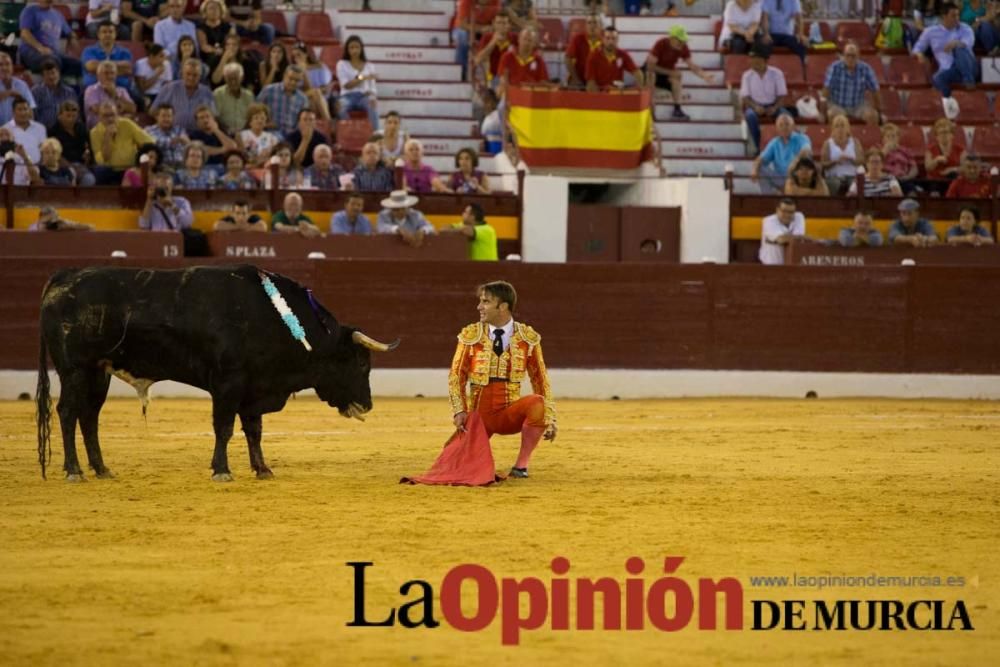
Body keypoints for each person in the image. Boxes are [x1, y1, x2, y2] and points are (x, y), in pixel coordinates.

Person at [447, 281, 556, 479]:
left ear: (503, 306)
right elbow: (457, 375)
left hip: (509, 413)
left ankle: (521, 466)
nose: (479, 307)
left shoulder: (527, 338)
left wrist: (549, 416)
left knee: (537, 403)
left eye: (485, 302)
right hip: (479, 418)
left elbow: (540, 378)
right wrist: (459, 409)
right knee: (453, 465)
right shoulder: (471, 335)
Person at [646, 25, 715, 121]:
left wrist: (704, 76)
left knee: (677, 79)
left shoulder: (683, 47)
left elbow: (692, 65)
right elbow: (650, 66)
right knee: (651, 76)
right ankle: (650, 110)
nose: (682, 43)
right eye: (680, 40)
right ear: (672, 38)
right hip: (653, 73)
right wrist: (670, 72)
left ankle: (677, 110)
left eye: (683, 41)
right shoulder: (661, 44)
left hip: (665, 76)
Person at [913, 2, 978, 97]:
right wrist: (919, 55)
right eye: (953, 16)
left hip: (969, 68)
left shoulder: (965, 28)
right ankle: (949, 104)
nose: (957, 19)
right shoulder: (931, 31)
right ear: (944, 17)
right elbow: (917, 48)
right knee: (937, 78)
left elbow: (968, 44)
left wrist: (956, 43)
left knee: (959, 48)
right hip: (950, 70)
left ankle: (969, 81)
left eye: (958, 15)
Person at [740, 48, 795, 154]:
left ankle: (786, 146)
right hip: (754, 105)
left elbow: (781, 95)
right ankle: (758, 146)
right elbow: (745, 97)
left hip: (773, 104)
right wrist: (755, 106)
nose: (753, 62)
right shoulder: (747, 75)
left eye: (757, 60)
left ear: (765, 61)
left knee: (786, 117)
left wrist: (774, 108)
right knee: (750, 116)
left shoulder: (776, 73)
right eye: (752, 59)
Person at [90, 100, 154, 184]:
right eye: (105, 116)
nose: (110, 119)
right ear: (99, 117)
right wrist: (107, 137)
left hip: (130, 168)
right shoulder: (94, 132)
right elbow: (103, 160)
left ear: (117, 115)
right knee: (100, 171)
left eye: (112, 115)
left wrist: (142, 158)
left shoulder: (127, 124)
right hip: (110, 170)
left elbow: (149, 142)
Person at [821, 42, 881, 126]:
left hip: (858, 105)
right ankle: (836, 138)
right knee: (832, 114)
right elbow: (826, 90)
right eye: (847, 55)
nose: (850, 58)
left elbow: (875, 90)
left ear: (858, 56)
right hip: (837, 104)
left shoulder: (866, 69)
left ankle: (869, 138)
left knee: (873, 116)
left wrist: (879, 112)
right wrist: (822, 112)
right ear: (843, 56)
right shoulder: (834, 68)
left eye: (853, 56)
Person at [750, 112, 811, 194]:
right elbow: (761, 159)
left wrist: (795, 162)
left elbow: (806, 150)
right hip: (780, 178)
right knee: (760, 168)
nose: (784, 127)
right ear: (777, 128)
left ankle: (785, 192)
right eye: (781, 125)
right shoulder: (774, 142)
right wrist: (754, 169)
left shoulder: (802, 138)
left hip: (797, 178)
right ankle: (768, 197)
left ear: (793, 126)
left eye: (787, 124)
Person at [151, 58, 217, 133]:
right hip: (173, 133)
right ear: (182, 74)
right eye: (188, 74)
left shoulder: (206, 92)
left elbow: (212, 116)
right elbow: (153, 111)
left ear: (200, 76)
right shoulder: (169, 88)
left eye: (195, 75)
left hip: (199, 134)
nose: (191, 78)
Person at [17, 0, 81, 75]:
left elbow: (69, 32)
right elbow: (24, 34)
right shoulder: (30, 11)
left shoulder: (58, 15)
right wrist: (40, 48)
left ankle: (66, 85)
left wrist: (73, 39)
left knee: (79, 65)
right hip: (32, 51)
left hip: (54, 53)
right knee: (52, 61)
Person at [48, 100, 96, 186]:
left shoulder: (82, 128)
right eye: (68, 116)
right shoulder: (53, 131)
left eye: (74, 116)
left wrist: (87, 157)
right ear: (59, 116)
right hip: (61, 167)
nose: (71, 119)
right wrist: (71, 168)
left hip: (81, 165)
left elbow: (88, 148)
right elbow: (55, 155)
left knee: (89, 180)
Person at [496, 25, 552, 99]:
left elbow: (543, 83)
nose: (526, 43)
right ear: (519, 39)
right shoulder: (507, 57)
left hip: (531, 98)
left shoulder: (539, 60)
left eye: (530, 40)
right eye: (524, 39)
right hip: (511, 95)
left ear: (534, 43)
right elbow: (503, 80)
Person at [454, 0, 503, 81]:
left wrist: (492, 28)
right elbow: (461, 24)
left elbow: (498, 19)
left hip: (485, 29)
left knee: (500, 36)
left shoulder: (496, 1)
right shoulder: (466, 2)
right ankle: (462, 71)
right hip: (465, 28)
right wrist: (480, 29)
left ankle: (494, 76)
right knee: (462, 37)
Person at [256, 66, 309, 138]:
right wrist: (265, 124)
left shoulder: (303, 99)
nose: (293, 82)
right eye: (290, 78)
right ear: (284, 76)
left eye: (297, 80)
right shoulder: (269, 91)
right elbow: (254, 111)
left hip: (291, 135)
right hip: (270, 132)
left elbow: (303, 122)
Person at [586, 26, 644, 91]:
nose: (611, 42)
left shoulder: (623, 54)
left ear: (618, 39)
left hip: (617, 93)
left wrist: (639, 87)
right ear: (602, 39)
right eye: (607, 38)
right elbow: (590, 83)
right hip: (600, 93)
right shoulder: (593, 56)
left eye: (613, 38)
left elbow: (637, 73)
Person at [81, 20, 134, 90]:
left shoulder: (125, 52)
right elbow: (91, 67)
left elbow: (128, 69)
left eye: (111, 32)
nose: (108, 34)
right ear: (98, 34)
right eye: (104, 32)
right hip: (93, 88)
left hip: (121, 88)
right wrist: (117, 69)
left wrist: (99, 69)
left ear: (115, 34)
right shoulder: (89, 50)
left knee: (139, 99)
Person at [84, 60, 137, 129]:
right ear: (98, 75)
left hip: (121, 128)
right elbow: (100, 111)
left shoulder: (121, 90)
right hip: (99, 129)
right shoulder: (91, 90)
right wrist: (122, 111)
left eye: (112, 73)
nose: (109, 76)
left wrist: (114, 94)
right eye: (106, 73)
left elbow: (132, 109)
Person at [30, 58, 78, 130]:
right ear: (43, 76)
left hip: (66, 130)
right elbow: (32, 115)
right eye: (47, 74)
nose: (51, 77)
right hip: (44, 131)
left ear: (59, 73)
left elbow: (75, 113)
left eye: (53, 73)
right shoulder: (36, 92)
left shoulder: (70, 92)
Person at [820, 114, 862, 196]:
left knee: (855, 184)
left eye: (842, 125)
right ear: (833, 129)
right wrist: (835, 161)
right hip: (834, 176)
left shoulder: (855, 142)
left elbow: (861, 161)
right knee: (835, 183)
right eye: (837, 126)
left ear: (847, 128)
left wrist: (850, 159)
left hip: (852, 175)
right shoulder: (828, 143)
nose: (840, 129)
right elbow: (823, 164)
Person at [474, 13, 517, 89]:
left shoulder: (515, 38)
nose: (501, 26)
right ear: (494, 24)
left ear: (509, 25)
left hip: (510, 77)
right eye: (498, 23)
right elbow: (478, 60)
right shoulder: (487, 37)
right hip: (492, 77)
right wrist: (493, 41)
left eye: (504, 23)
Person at [923, 117, 965, 194]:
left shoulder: (960, 149)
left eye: (946, 132)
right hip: (935, 182)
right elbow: (927, 168)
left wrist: (952, 169)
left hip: (953, 181)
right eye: (941, 133)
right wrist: (936, 160)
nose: (943, 135)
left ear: (952, 135)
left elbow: (965, 168)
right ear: (936, 136)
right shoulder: (930, 149)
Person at [759, 197, 806, 265]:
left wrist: (799, 237)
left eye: (790, 212)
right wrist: (805, 237)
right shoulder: (768, 221)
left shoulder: (799, 216)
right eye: (784, 211)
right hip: (770, 266)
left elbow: (798, 240)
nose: (787, 215)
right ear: (777, 210)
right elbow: (781, 239)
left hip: (791, 266)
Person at [3, 96, 46, 164]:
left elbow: (44, 150)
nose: (23, 113)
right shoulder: (5, 129)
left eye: (25, 109)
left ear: (29, 110)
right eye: (19, 109)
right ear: (13, 112)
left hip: (36, 168)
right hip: (14, 169)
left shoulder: (40, 128)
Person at [564, 13, 602, 88]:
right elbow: (567, 59)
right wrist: (577, 80)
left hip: (597, 83)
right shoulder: (578, 39)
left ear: (600, 26)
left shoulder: (605, 41)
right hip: (578, 80)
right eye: (589, 23)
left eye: (595, 22)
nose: (592, 25)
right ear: (586, 26)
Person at [144, 103, 187, 167]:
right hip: (162, 166)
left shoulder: (179, 130)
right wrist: (176, 140)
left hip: (182, 166)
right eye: (163, 116)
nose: (167, 119)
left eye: (169, 116)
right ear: (157, 117)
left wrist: (185, 141)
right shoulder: (149, 130)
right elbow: (154, 143)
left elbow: (187, 144)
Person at [880, 123, 919, 194]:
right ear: (883, 139)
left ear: (898, 138)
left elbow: (914, 168)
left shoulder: (905, 151)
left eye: (893, 136)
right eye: (888, 136)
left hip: (903, 178)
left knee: (912, 191)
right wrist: (885, 151)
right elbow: (875, 164)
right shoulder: (878, 150)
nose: (891, 138)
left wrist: (907, 177)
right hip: (886, 179)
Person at [238, 102, 280, 167]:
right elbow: (240, 157)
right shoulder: (241, 136)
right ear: (250, 121)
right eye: (256, 118)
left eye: (262, 118)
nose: (259, 121)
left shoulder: (272, 138)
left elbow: (275, 158)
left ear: (266, 121)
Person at [196, 0, 231, 74]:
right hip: (208, 56)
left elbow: (231, 43)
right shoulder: (201, 28)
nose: (214, 11)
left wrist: (224, 53)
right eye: (211, 8)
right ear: (205, 12)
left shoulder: (228, 27)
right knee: (214, 58)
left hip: (226, 53)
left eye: (216, 8)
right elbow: (204, 46)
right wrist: (216, 51)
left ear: (221, 11)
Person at [0, 54, 36, 127]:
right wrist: (9, 93)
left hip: (18, 129)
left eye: (7, 64)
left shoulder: (22, 85)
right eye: (0, 65)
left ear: (12, 67)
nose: (4, 68)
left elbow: (30, 109)